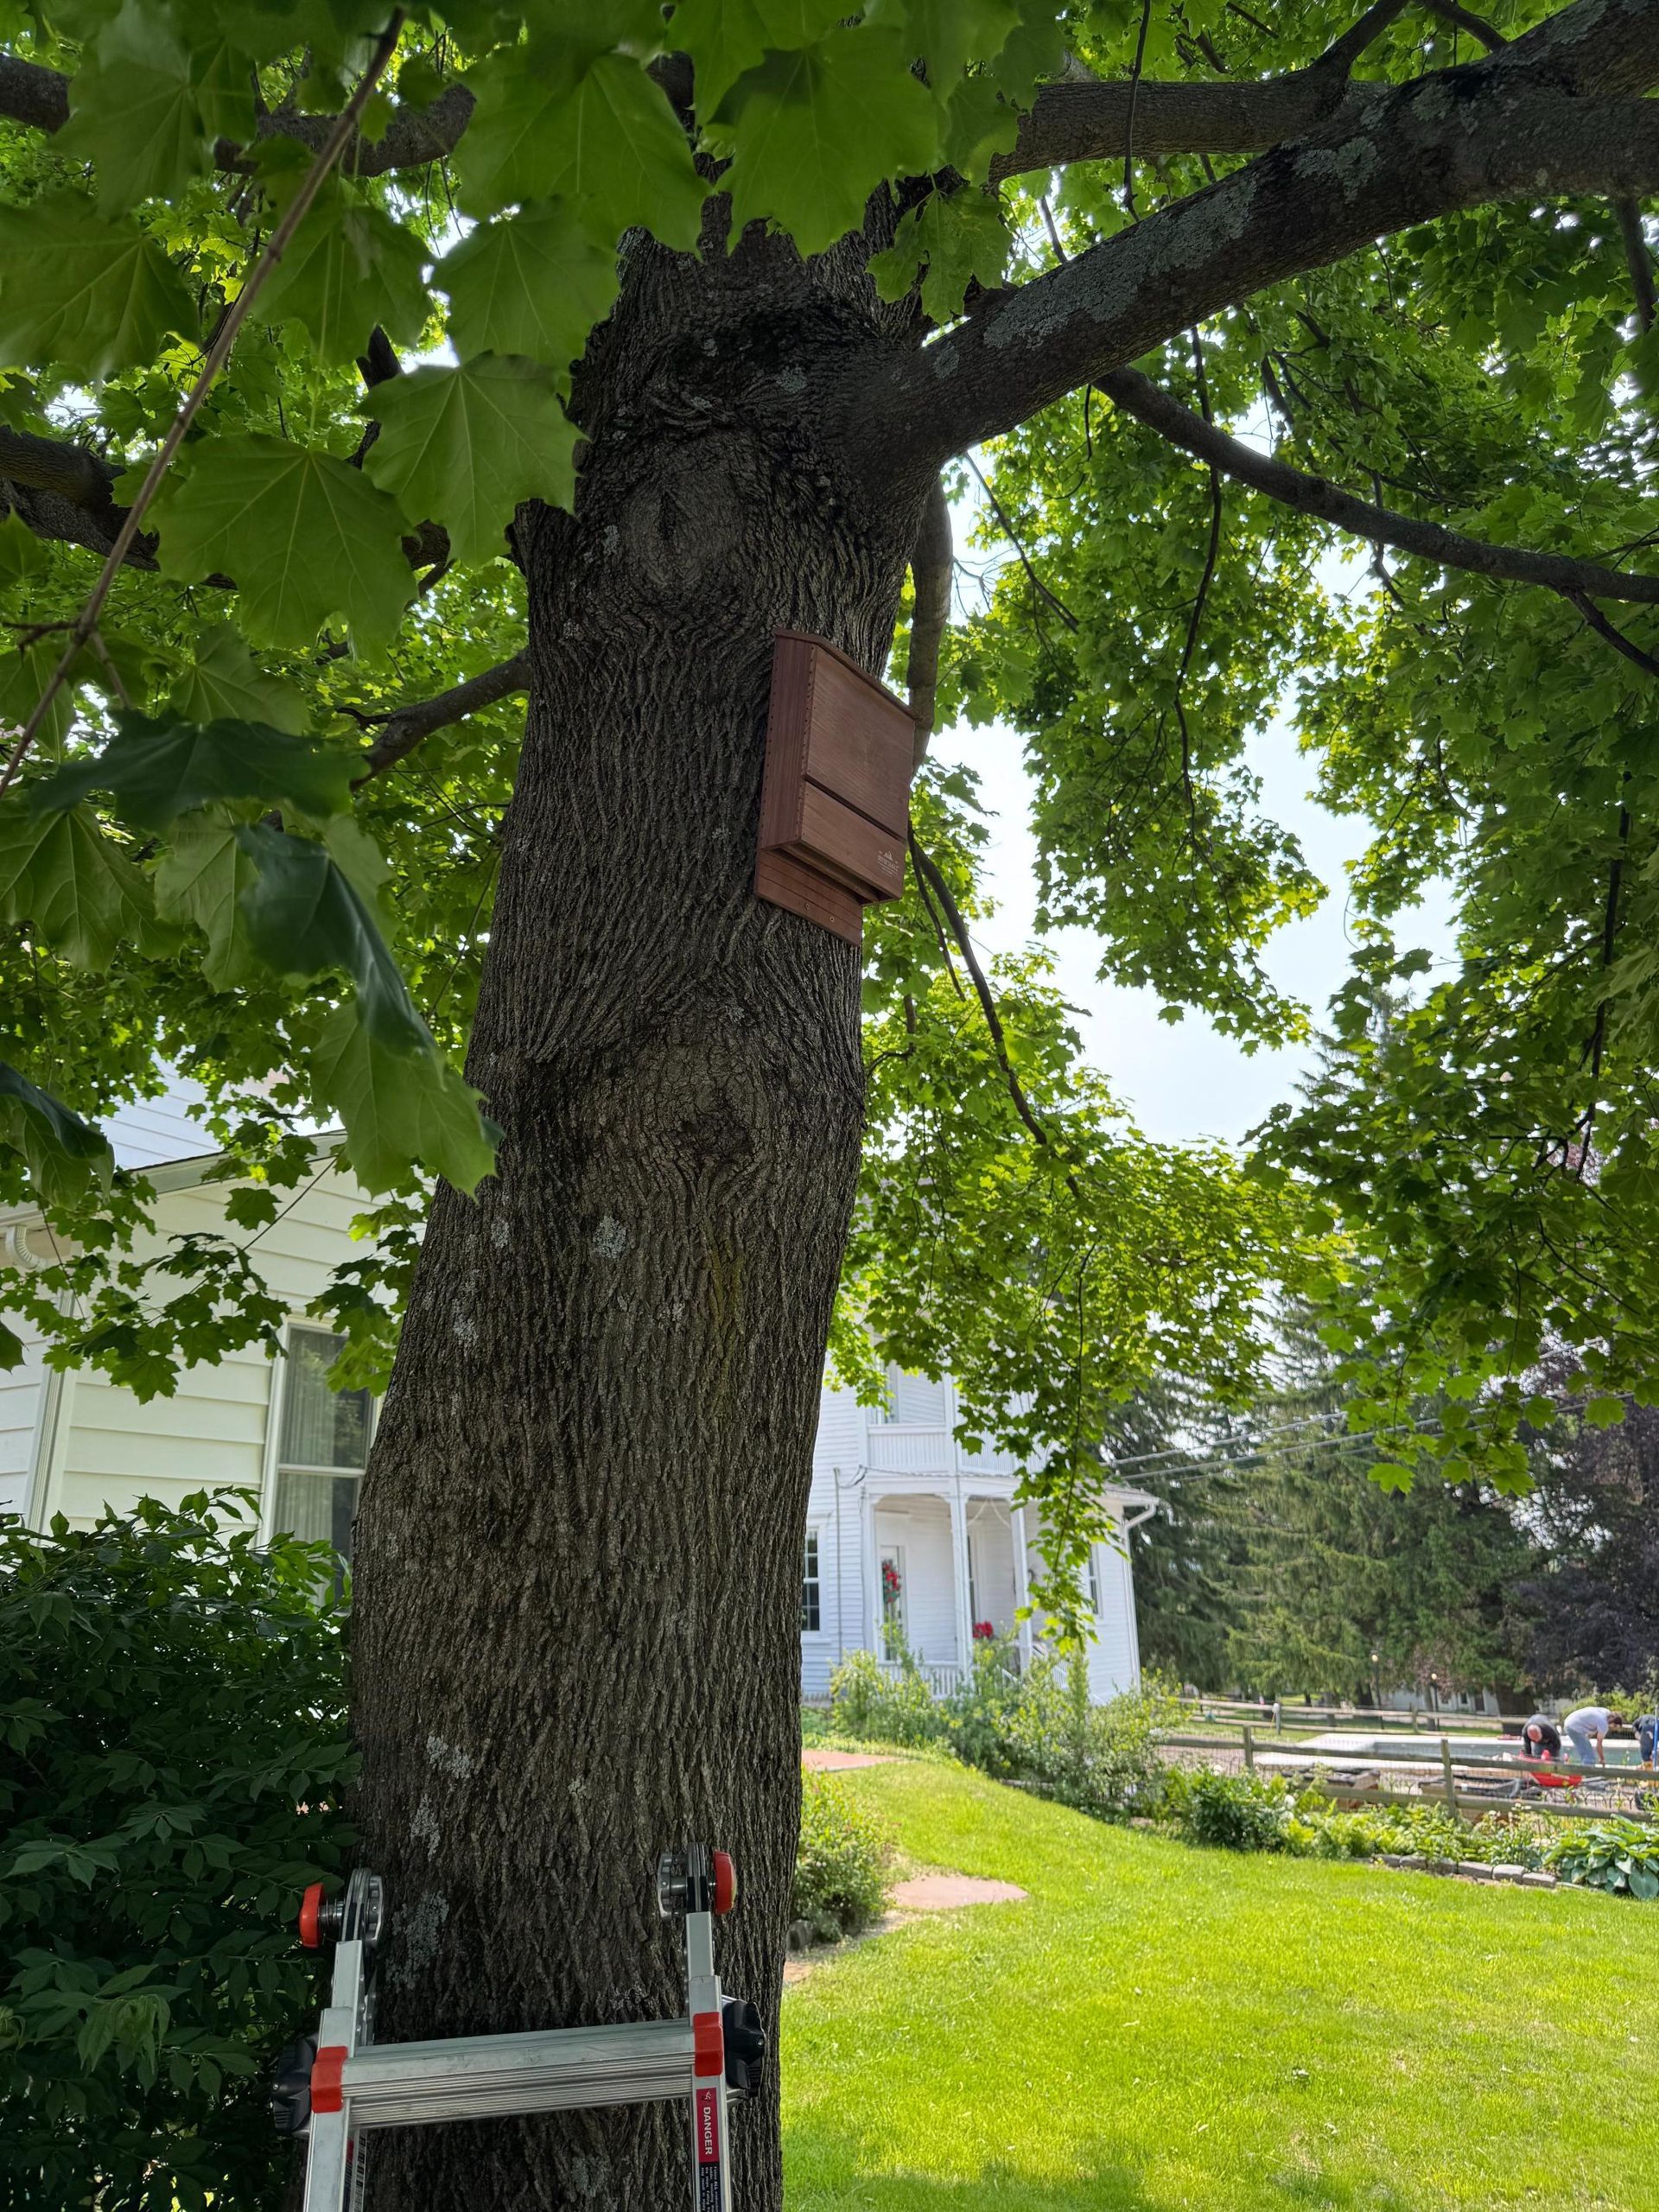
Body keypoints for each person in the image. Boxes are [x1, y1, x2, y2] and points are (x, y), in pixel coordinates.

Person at [1561, 1704, 1625, 1768]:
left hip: (1569, 1722)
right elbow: (1599, 1745)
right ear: (1613, 1723)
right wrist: (1602, 1759)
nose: (1613, 1728)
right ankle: (1588, 1775)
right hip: (1574, 1728)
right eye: (1614, 1726)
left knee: (1586, 1752)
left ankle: (1584, 1771)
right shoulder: (1604, 1723)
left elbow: (1592, 1726)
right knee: (1589, 1757)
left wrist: (1587, 1739)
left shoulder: (1606, 1712)